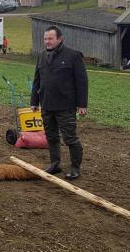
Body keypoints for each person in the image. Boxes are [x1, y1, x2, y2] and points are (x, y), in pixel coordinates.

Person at [30, 25, 88, 180]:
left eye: (50, 38)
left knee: (70, 138)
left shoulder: (73, 56)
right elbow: (37, 80)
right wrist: (34, 101)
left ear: (60, 39)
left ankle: (75, 168)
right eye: (45, 39)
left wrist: (82, 105)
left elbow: (82, 82)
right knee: (51, 136)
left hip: (65, 105)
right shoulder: (42, 56)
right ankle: (55, 164)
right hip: (47, 104)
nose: (47, 41)